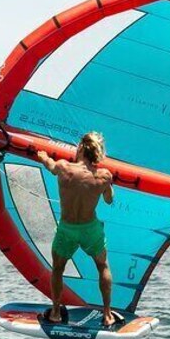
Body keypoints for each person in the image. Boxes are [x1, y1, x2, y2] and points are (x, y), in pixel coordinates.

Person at [36, 132, 119, 328]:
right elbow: (109, 200)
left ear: (81, 148)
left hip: (67, 229)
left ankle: (56, 312)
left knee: (58, 268)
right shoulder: (103, 176)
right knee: (102, 266)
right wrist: (108, 186)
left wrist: (43, 156)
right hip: (90, 229)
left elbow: (49, 164)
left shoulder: (64, 167)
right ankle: (107, 315)